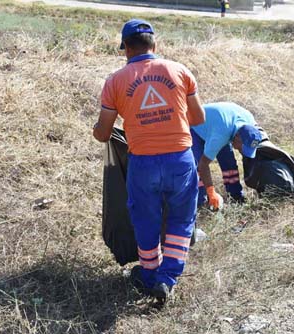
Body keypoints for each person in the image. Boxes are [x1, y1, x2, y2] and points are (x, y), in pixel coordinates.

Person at [93, 19, 205, 302]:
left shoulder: (115, 81)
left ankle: (149, 273)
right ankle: (168, 277)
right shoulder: (179, 70)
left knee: (145, 220)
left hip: (142, 163)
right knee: (181, 219)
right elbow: (199, 118)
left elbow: (103, 133)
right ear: (155, 45)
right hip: (180, 159)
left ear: (126, 49)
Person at [191, 102, 262, 210]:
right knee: (198, 167)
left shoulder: (250, 122)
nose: (241, 151)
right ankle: (202, 203)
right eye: (242, 147)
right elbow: (203, 164)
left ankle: (236, 198)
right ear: (237, 137)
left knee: (229, 164)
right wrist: (211, 192)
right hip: (194, 125)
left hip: (220, 123)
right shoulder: (220, 136)